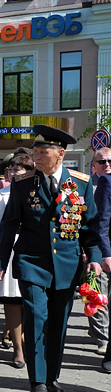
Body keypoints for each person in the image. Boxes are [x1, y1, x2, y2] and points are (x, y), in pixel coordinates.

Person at [0, 125, 102, 392]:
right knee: (36, 318)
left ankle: (52, 377)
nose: (37, 158)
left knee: (58, 324)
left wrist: (96, 259)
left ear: (60, 154)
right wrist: (0, 261)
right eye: (35, 152)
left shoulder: (82, 184)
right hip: (32, 263)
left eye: (43, 153)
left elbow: (90, 229)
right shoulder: (23, 184)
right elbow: (9, 225)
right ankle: (37, 381)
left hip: (66, 265)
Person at [0, 153, 35, 369]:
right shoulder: (2, 195)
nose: (13, 174)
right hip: (10, 248)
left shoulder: (38, 192)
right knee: (13, 300)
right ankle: (17, 349)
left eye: (19, 170)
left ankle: (25, 339)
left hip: (33, 248)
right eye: (11, 170)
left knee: (30, 300)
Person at [89, 147, 111, 356]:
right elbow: (99, 223)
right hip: (98, 248)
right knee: (98, 294)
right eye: (102, 162)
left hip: (104, 246)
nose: (107, 165)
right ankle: (103, 338)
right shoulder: (88, 184)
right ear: (94, 166)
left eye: (110, 161)